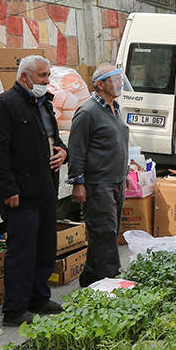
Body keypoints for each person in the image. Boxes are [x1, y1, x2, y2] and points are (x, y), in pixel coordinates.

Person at [0, 55, 67, 325]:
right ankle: (15, 310)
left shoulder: (44, 103)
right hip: (21, 194)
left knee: (45, 249)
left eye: (48, 75)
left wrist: (63, 151)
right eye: (42, 76)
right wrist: (9, 189)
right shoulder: (5, 105)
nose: (47, 81)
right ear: (25, 77)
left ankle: (38, 298)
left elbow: (55, 138)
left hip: (46, 189)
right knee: (22, 253)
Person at [69, 64, 131, 288]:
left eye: (120, 79)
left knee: (108, 232)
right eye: (115, 79)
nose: (120, 83)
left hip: (115, 181)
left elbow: (119, 142)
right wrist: (77, 182)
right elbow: (77, 149)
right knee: (104, 233)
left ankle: (89, 278)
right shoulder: (88, 112)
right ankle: (113, 283)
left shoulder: (115, 107)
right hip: (98, 183)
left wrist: (124, 173)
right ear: (100, 85)